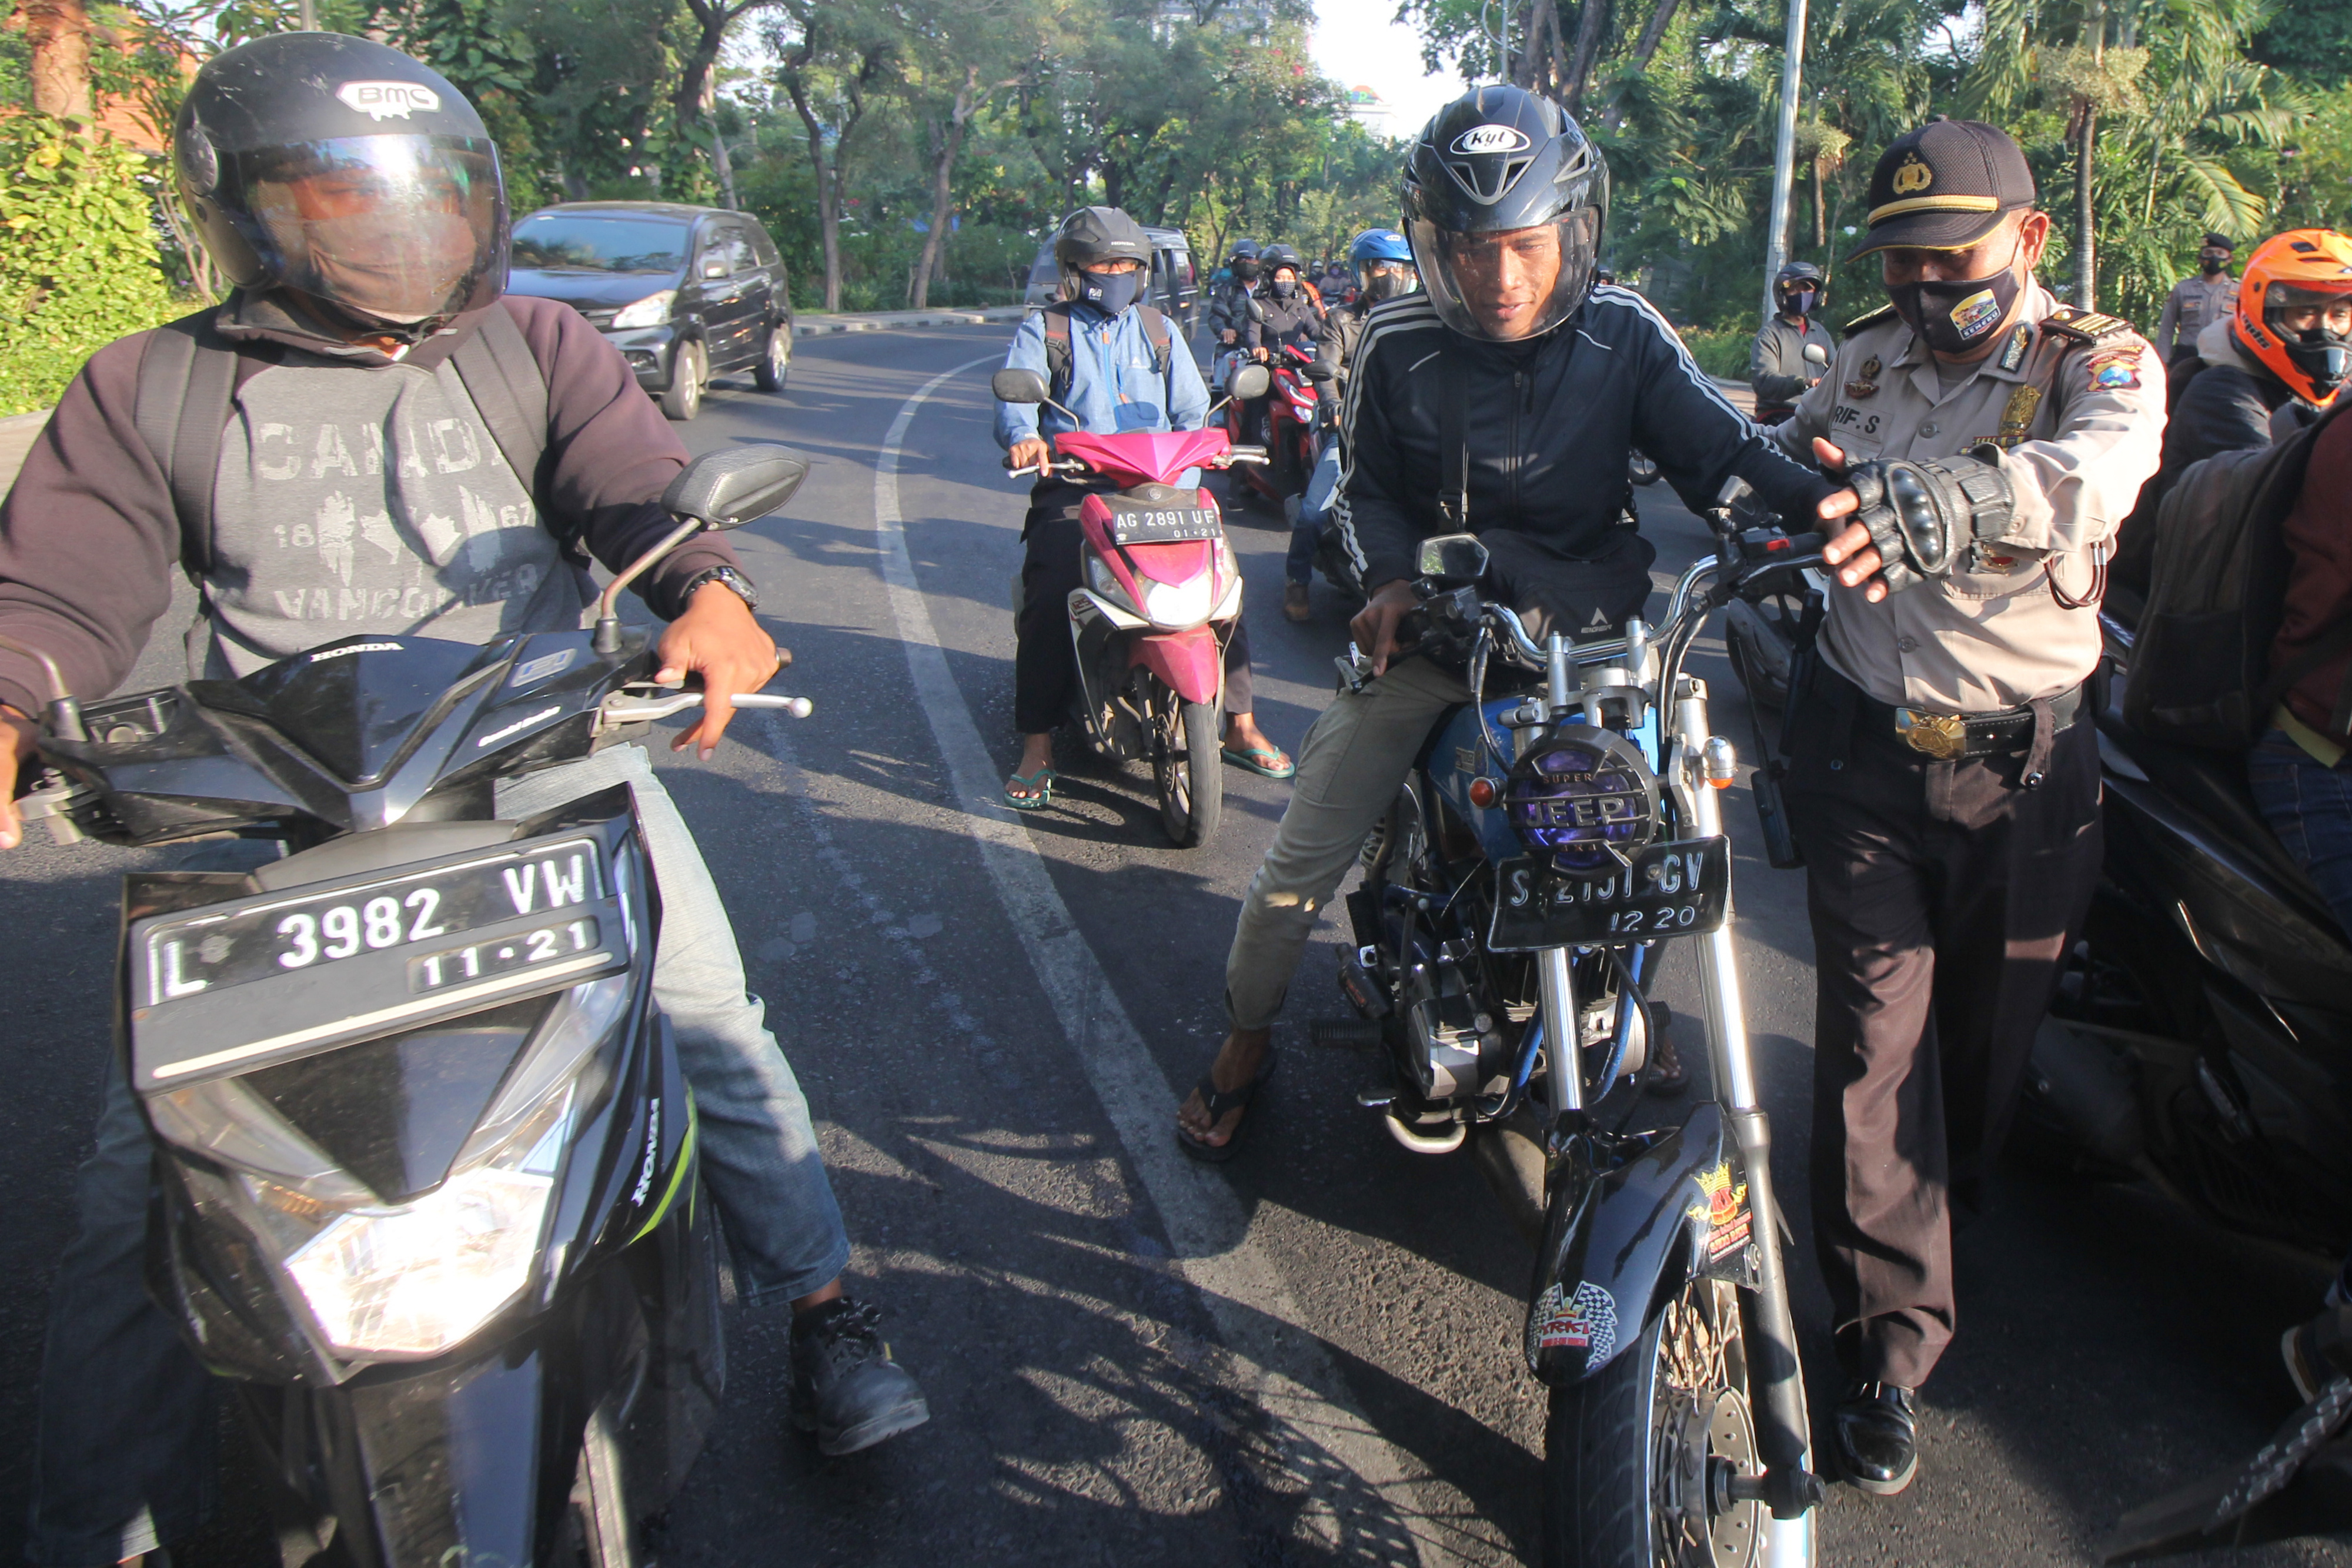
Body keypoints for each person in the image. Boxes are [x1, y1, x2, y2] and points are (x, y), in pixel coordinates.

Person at [0, 34, 928, 1566]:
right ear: (245, 211)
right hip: (269, 831)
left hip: (538, 781)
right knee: (140, 1172)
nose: (409, 233)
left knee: (709, 1018)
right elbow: (57, 593)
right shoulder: (151, 385)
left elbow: (634, 485)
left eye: (437, 199)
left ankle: (826, 1311)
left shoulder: (532, 346)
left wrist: (706, 588)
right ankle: (93, 1524)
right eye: (351, 201)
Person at [1172, 83, 1842, 1162]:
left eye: (1526, 246)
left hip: (1598, 645)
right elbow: (1364, 492)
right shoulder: (1394, 339)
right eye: (1471, 250)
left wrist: (1834, 509)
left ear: (1574, 232)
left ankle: (1627, 990)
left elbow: (1726, 453)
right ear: (1435, 244)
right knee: (1301, 859)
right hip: (1442, 640)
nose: (1500, 279)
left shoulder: (1624, 333)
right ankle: (1246, 1038)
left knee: (1664, 829)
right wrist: (1394, 584)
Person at [1761, 117, 2165, 1498]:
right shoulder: (1866, 357)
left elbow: (2095, 473)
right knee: (1872, 1049)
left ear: (2028, 238)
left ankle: (1937, 1220)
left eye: (1952, 261)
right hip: (1862, 754)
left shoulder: (2095, 365)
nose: (1927, 290)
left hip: (2025, 775)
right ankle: (1884, 1348)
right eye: (1901, 265)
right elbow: (1788, 449)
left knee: (1980, 1058)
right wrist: (1750, 485)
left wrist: (1945, 501)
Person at [995, 206, 1294, 807]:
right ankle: (1037, 743)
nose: (1117, 275)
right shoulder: (1047, 330)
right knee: (1051, 591)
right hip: (1079, 485)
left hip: (1162, 488)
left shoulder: (1159, 329)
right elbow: (1018, 399)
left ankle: (1240, 723)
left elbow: (1192, 410)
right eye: (1104, 265)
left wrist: (1205, 452)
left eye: (1127, 266)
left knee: (1223, 589)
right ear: (1075, 270)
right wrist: (1024, 436)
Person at [2113, 230, 2352, 604]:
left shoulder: (2323, 393)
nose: (2326, 330)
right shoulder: (2222, 391)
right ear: (2265, 312)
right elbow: (2281, 497)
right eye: (2306, 313)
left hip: (2247, 585)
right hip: (2185, 603)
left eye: (2340, 315)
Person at [1282, 228, 1418, 621]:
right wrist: (1335, 405)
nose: (1390, 277)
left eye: (1399, 269)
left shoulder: (1417, 321)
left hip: (1405, 429)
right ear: (1363, 272)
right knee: (1314, 510)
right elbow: (1325, 370)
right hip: (1352, 426)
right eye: (1381, 269)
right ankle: (1296, 580)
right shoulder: (1341, 320)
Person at [1749, 260, 1835, 424]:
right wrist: (1803, 383)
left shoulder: (1820, 333)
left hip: (1816, 413)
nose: (1802, 294)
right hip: (1780, 412)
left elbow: (1836, 370)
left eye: (1807, 289)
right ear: (1783, 294)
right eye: (1795, 289)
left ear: (1816, 294)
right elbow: (1764, 381)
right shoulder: (1770, 334)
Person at [2156, 233, 2238, 367]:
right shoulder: (2184, 289)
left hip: (2225, 358)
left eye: (2220, 253)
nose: (2214, 257)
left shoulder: (2240, 292)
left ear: (2230, 259)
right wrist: (2162, 362)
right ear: (2200, 258)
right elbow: (2167, 327)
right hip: (2187, 355)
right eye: (2208, 253)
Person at [1205, 239, 1262, 393]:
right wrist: (1224, 330)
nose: (1247, 263)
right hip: (1234, 347)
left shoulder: (1268, 289)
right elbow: (1216, 315)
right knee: (1220, 387)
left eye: (1251, 259)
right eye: (1242, 260)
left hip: (1264, 347)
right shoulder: (1226, 290)